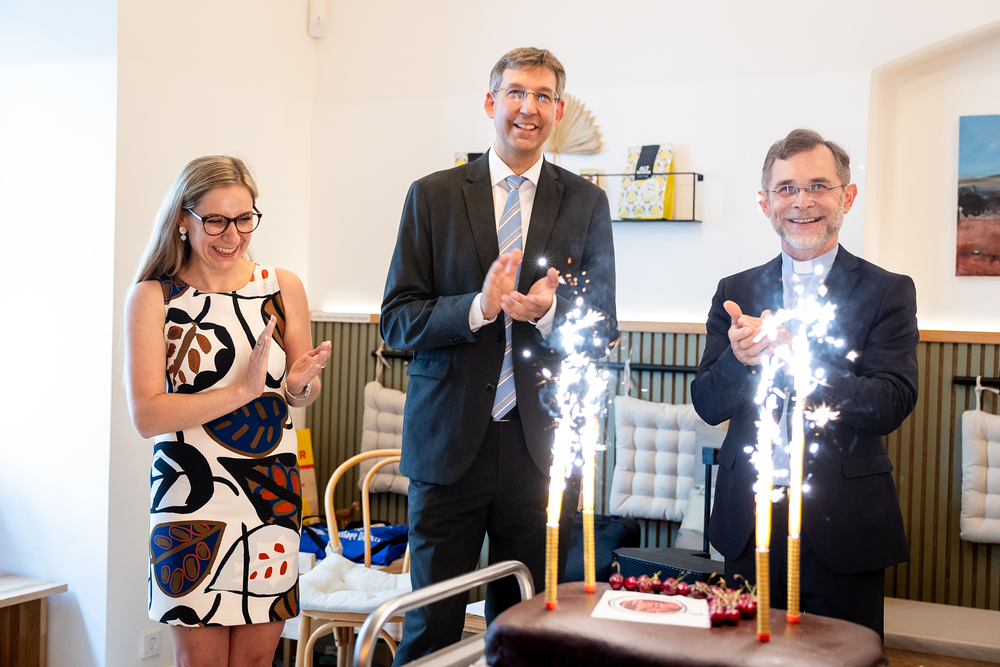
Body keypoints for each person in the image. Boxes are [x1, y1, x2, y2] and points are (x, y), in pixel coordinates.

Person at [381, 47, 617, 663]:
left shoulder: (586, 203)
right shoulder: (431, 196)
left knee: (526, 638)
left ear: (558, 111)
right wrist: (478, 308)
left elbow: (602, 328)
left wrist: (551, 314)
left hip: (540, 451)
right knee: (429, 631)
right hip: (447, 446)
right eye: (516, 92)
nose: (528, 108)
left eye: (543, 96)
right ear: (491, 102)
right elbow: (397, 320)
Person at [691, 129, 918, 638]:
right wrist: (741, 361)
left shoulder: (888, 291)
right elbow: (706, 403)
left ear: (847, 196)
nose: (802, 201)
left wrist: (803, 359)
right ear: (765, 203)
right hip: (748, 520)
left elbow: (891, 402)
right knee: (744, 656)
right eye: (787, 188)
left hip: (844, 523)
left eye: (818, 186)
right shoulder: (734, 290)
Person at [124, 156, 331, 667]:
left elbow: (299, 391)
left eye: (244, 219)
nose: (232, 235)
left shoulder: (282, 286)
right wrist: (242, 391)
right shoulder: (153, 297)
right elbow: (147, 415)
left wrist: (299, 387)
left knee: (258, 662)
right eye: (215, 220)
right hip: (189, 497)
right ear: (183, 218)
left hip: (270, 494)